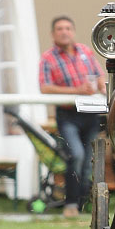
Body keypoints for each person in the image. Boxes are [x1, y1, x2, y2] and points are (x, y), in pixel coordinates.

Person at [39, 16, 106, 218]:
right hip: (68, 114)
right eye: (59, 28)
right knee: (75, 155)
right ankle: (70, 203)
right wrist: (76, 90)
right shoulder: (48, 58)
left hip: (91, 113)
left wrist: (101, 86)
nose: (64, 32)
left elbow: (99, 75)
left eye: (68, 28)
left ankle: (82, 204)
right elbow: (45, 87)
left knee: (88, 161)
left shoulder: (85, 51)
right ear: (53, 34)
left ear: (73, 31)